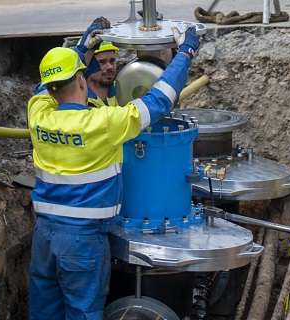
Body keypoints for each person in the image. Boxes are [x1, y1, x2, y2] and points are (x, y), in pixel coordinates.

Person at [27, 16, 200, 320]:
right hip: (83, 242)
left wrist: (81, 49)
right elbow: (159, 101)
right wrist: (184, 54)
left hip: (45, 236)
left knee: (44, 310)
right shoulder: (101, 123)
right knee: (83, 311)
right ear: (83, 80)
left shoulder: (38, 112)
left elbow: (45, 86)